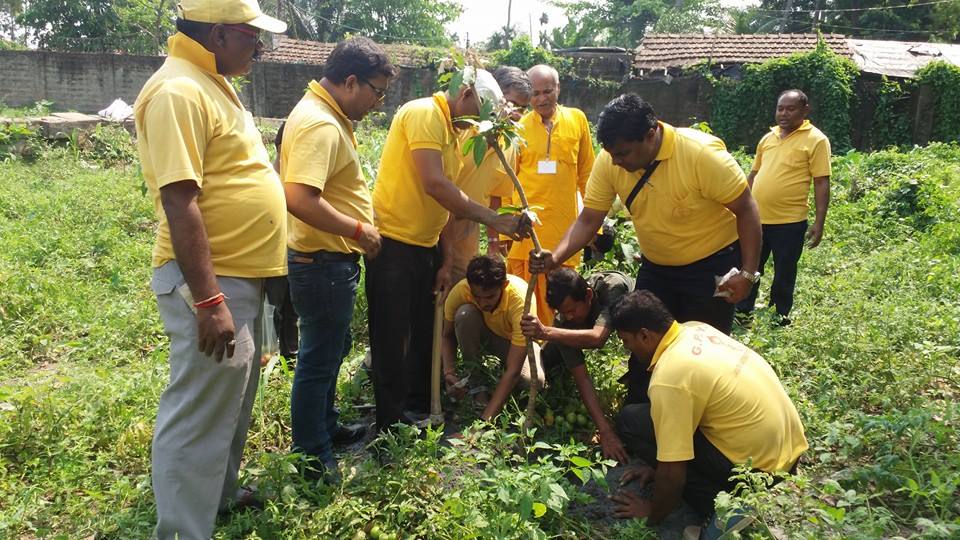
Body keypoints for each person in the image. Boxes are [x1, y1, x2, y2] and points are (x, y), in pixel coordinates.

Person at [133, 1, 287, 538]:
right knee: (200, 410)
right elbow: (179, 200)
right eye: (251, 36)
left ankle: (218, 493)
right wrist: (208, 299)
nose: (259, 48)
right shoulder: (178, 90)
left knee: (233, 397)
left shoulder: (212, 82)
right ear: (219, 35)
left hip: (243, 274)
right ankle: (181, 530)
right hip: (213, 281)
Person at [529, 94, 762, 403]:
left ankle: (700, 419)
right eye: (610, 153)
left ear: (650, 135)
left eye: (622, 153)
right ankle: (639, 412)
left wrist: (747, 273)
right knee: (642, 342)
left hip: (710, 268)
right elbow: (589, 218)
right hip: (657, 268)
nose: (615, 161)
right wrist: (555, 257)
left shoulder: (700, 155)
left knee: (704, 351)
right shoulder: (611, 160)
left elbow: (747, 209)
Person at [365, 69, 530, 432]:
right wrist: (493, 220)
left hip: (425, 245)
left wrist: (445, 259)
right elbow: (435, 185)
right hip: (394, 242)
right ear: (466, 92)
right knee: (392, 337)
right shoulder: (424, 113)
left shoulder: (453, 132)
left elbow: (445, 204)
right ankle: (389, 425)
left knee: (424, 331)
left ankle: (416, 408)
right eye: (479, 112)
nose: (478, 123)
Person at [280, 37, 396, 481]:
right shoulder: (321, 123)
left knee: (330, 350)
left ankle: (325, 428)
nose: (378, 103)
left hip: (327, 263)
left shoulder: (325, 115)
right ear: (350, 82)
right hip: (322, 262)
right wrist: (358, 230)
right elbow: (299, 198)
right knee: (318, 359)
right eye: (376, 92)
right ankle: (312, 456)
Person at [607, 291, 808, 531]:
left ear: (644, 335)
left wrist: (652, 513)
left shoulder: (669, 378)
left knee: (638, 430)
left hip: (758, 473)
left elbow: (672, 473)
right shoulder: (695, 328)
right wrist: (657, 468)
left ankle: (727, 504)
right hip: (789, 448)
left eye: (626, 341)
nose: (628, 349)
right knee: (634, 419)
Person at [507, 64, 596, 326]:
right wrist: (504, 233)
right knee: (525, 302)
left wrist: (595, 226)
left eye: (547, 91)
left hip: (565, 233)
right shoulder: (518, 127)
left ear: (558, 88)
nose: (541, 99)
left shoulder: (577, 119)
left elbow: (587, 174)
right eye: (535, 93)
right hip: (527, 232)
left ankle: (557, 345)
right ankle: (528, 346)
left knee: (564, 302)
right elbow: (507, 181)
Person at [737, 89, 831, 325]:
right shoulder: (767, 138)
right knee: (750, 267)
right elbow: (754, 174)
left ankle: (779, 317)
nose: (784, 114)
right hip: (756, 219)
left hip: (790, 222)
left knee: (784, 272)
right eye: (780, 108)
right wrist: (739, 207)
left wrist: (819, 223)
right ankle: (743, 313)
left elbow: (821, 181)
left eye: (791, 109)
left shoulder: (816, 140)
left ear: (805, 110)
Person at [519, 267, 633, 463]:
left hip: (636, 323)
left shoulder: (612, 287)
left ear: (588, 295)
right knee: (548, 358)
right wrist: (605, 430)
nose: (569, 317)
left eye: (572, 310)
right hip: (565, 335)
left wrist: (545, 332)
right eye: (564, 313)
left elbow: (598, 338)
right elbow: (582, 378)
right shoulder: (563, 321)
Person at [448, 67, 533, 283]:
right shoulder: (464, 126)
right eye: (511, 103)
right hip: (437, 218)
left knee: (457, 289)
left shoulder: (509, 145)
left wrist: (494, 242)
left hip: (468, 227)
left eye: (522, 108)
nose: (515, 113)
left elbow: (496, 195)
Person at [442, 254, 544, 420]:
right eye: (477, 296)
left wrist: (486, 420)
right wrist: (449, 373)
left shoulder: (520, 300)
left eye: (489, 296)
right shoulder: (461, 290)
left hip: (518, 344)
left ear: (504, 285)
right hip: (488, 334)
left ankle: (499, 392)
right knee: (465, 315)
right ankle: (477, 386)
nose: (483, 303)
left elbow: (514, 370)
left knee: (533, 381)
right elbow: (446, 336)